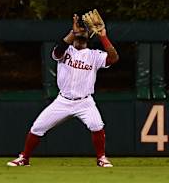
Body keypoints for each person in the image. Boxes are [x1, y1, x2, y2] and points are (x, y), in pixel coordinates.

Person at [7, 12, 119, 167]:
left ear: (89, 35)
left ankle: (101, 158)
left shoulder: (94, 55)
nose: (81, 31)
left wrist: (103, 36)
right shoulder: (65, 51)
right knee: (38, 127)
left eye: (84, 29)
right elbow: (58, 50)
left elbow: (113, 58)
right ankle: (24, 158)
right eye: (79, 29)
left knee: (97, 125)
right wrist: (72, 32)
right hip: (63, 101)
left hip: (85, 102)